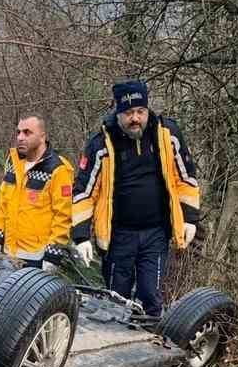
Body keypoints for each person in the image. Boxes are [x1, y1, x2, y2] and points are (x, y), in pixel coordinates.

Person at [71, 80, 200, 317]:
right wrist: (81, 236)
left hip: (156, 232)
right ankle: (114, 345)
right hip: (118, 235)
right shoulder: (101, 143)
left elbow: (186, 177)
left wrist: (190, 218)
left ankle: (151, 347)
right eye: (129, 113)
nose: (135, 119)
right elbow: (85, 191)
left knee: (150, 295)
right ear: (118, 113)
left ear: (147, 110)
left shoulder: (167, 135)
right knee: (116, 298)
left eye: (140, 111)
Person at [0, 112, 73, 262]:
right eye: (18, 132)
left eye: (27, 132)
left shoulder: (58, 169)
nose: (20, 137)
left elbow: (63, 216)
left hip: (36, 258)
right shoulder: (13, 161)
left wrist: (52, 256)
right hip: (7, 254)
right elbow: (3, 204)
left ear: (42, 136)